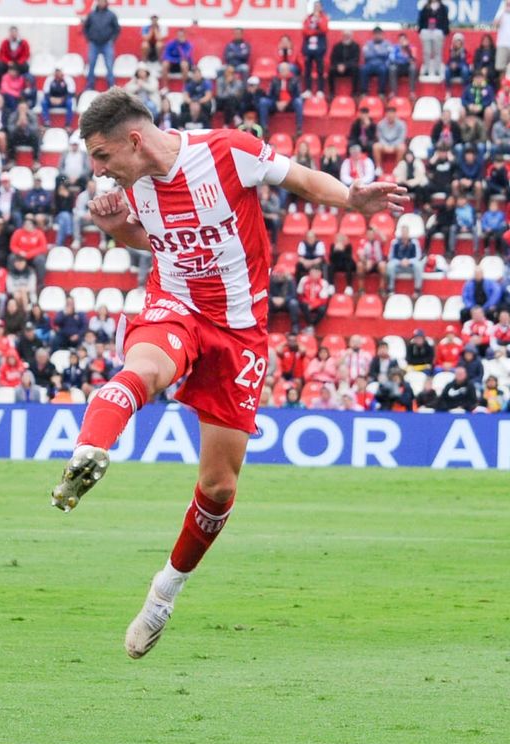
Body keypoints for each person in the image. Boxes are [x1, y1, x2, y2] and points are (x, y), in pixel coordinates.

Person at [50, 89, 406, 658]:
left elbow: (305, 180)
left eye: (101, 155)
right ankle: (88, 452)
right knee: (143, 367)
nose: (97, 170)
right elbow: (152, 243)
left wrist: (353, 200)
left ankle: (164, 592)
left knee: (219, 486)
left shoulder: (227, 152)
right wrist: (116, 230)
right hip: (175, 306)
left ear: (134, 140)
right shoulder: (126, 188)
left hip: (240, 330)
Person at [82, 0, 120, 91]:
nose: (101, 3)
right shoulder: (91, 14)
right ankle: (90, 85)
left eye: (103, 1)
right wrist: (89, 38)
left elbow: (117, 29)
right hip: (94, 44)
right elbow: (85, 27)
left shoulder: (111, 15)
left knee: (109, 65)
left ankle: (111, 86)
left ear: (106, 3)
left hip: (106, 44)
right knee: (91, 65)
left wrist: (112, 40)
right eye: (100, 1)